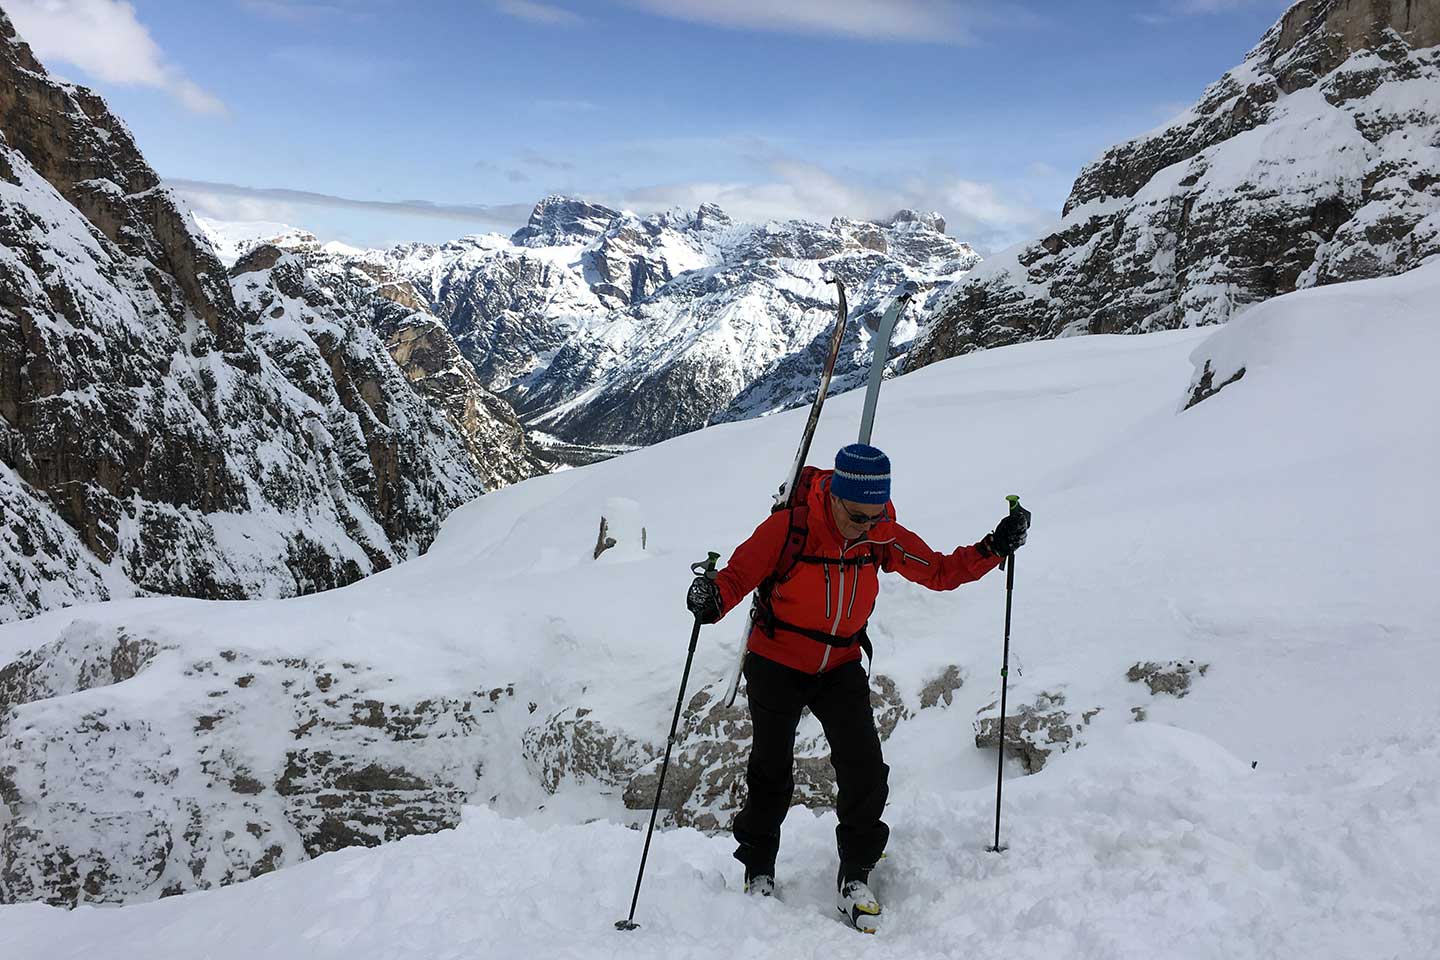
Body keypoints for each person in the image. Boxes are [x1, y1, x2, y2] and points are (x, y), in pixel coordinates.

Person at [685, 443, 1029, 933]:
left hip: (840, 662)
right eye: (857, 516)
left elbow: (938, 571)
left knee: (865, 768)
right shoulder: (789, 527)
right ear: (835, 498)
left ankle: (856, 872)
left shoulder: (879, 534)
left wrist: (993, 549)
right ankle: (758, 868)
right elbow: (737, 578)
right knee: (771, 769)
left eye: (875, 517)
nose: (865, 527)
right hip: (777, 659)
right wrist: (710, 597)